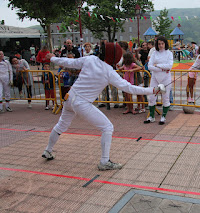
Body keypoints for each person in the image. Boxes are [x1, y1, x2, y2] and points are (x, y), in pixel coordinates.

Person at [42, 42, 165, 170]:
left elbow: (69, 62)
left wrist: (52, 58)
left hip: (69, 98)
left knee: (61, 125)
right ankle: (104, 162)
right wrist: (153, 90)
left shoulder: (90, 59)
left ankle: (48, 150)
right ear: (114, 56)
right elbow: (130, 88)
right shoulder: (109, 72)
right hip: (82, 103)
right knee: (107, 127)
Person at [144, 36, 173, 125]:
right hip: (155, 79)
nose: (160, 45)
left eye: (162, 43)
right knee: (152, 97)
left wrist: (157, 66)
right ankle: (151, 117)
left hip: (165, 79)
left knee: (165, 97)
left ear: (165, 44)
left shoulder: (169, 53)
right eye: (159, 44)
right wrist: (162, 67)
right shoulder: (154, 53)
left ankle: (163, 117)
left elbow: (169, 66)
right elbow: (149, 66)